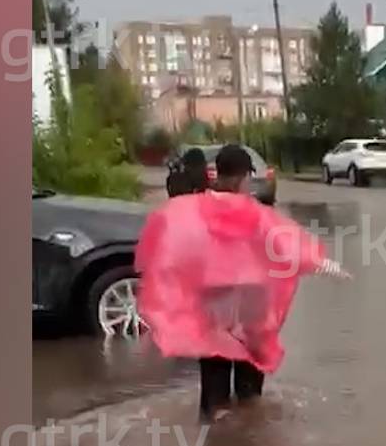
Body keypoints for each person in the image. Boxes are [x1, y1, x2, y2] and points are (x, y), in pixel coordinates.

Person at [136, 144, 349, 423]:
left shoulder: (194, 208)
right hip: (250, 305)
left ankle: (215, 441)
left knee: (214, 385)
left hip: (212, 305)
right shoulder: (254, 212)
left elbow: (174, 249)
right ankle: (247, 440)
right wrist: (329, 267)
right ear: (241, 177)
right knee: (250, 394)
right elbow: (288, 247)